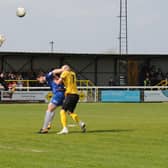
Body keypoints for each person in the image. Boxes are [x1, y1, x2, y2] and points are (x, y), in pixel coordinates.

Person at [54, 65, 86, 134]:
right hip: (76, 95)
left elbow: (58, 82)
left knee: (62, 111)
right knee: (70, 112)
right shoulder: (73, 73)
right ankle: (81, 123)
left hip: (70, 94)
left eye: (62, 69)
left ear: (65, 69)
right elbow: (66, 81)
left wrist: (53, 78)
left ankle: (65, 128)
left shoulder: (65, 72)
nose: (61, 71)